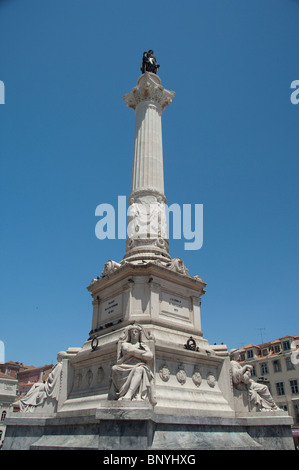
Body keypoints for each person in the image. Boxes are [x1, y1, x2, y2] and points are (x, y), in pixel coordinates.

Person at [109, 325, 155, 403]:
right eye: (132, 332)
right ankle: (121, 393)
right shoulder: (125, 344)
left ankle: (129, 394)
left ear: (139, 334)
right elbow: (126, 351)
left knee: (139, 369)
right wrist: (141, 353)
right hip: (126, 365)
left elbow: (150, 355)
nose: (134, 333)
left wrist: (133, 352)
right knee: (114, 368)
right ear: (129, 334)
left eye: (136, 332)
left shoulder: (142, 345)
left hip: (139, 365)